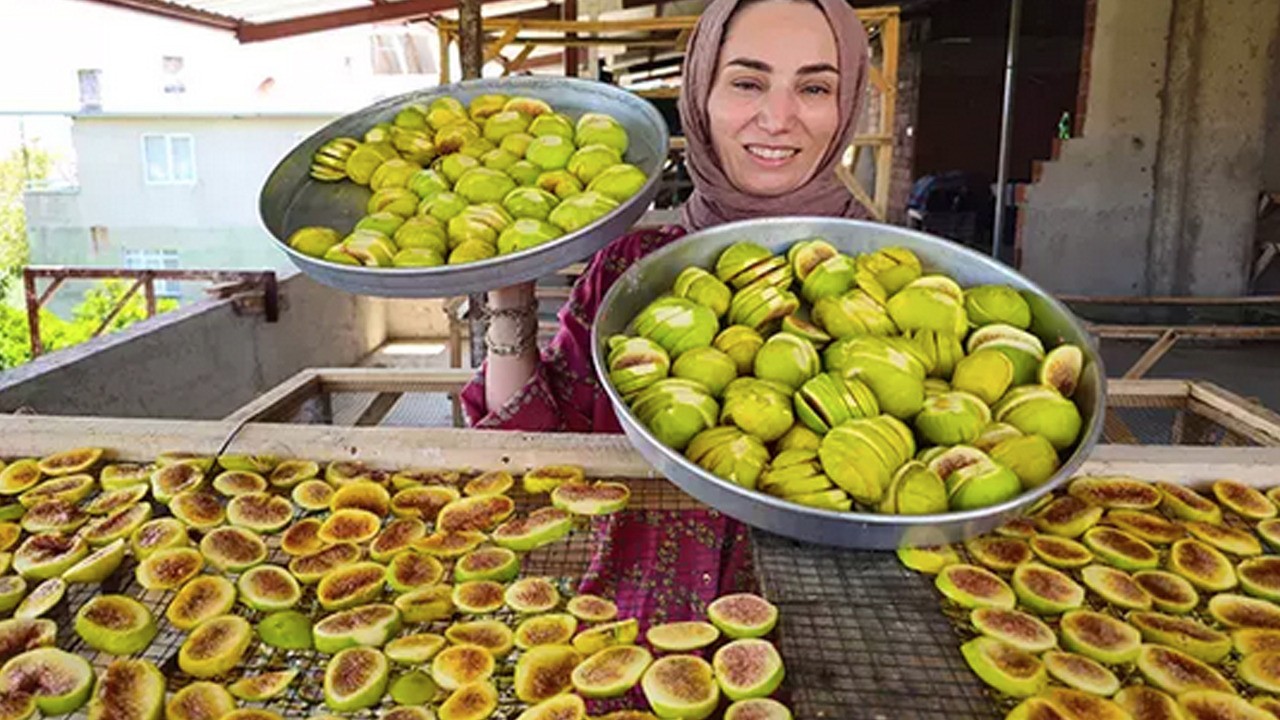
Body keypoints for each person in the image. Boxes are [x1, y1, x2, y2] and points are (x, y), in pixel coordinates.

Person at [461, 0, 872, 622]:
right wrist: (506, 289)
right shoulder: (632, 270)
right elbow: (531, 450)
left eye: (814, 87)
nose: (778, 117)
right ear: (700, 94)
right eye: (747, 82)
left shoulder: (900, 279)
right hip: (639, 633)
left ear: (847, 107)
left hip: (845, 648)